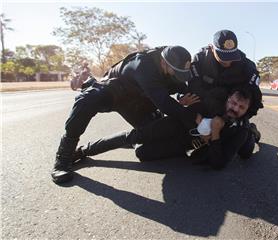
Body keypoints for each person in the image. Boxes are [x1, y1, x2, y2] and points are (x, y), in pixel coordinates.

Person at [52, 46, 198, 184]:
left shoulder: (173, 64)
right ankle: (64, 157)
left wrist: (181, 97)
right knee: (87, 100)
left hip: (141, 102)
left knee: (149, 138)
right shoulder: (143, 65)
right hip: (116, 92)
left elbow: (183, 89)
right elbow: (165, 104)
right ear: (163, 63)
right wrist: (197, 120)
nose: (179, 76)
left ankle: (88, 149)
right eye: (176, 72)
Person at [73, 86, 255, 170]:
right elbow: (186, 110)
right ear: (228, 99)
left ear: (247, 110)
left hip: (184, 145)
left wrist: (214, 134)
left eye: (241, 107)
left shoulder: (240, 129)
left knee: (142, 154)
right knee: (134, 136)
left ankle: (255, 134)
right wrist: (198, 122)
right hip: (174, 125)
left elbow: (219, 163)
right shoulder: (211, 103)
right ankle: (84, 150)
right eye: (233, 102)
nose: (234, 108)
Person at [189, 29, 263, 141]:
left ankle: (251, 131)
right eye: (222, 56)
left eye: (232, 56)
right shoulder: (200, 60)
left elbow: (255, 100)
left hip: (232, 111)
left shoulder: (247, 66)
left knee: (245, 151)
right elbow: (194, 90)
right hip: (207, 106)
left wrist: (236, 119)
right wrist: (200, 115)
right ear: (212, 48)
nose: (228, 62)